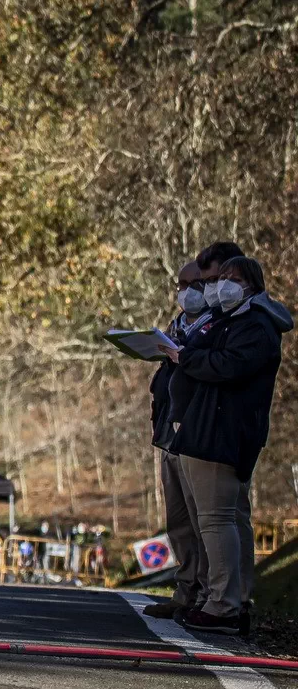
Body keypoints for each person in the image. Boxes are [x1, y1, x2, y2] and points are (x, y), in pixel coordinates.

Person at [164, 255, 292, 634]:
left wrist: (187, 356)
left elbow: (226, 366)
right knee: (209, 520)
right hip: (203, 431)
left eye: (230, 279)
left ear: (251, 284)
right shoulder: (228, 322)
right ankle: (216, 598)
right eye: (219, 279)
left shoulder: (255, 327)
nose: (221, 286)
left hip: (223, 434)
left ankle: (224, 605)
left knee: (219, 520)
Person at [143, 260, 213, 620]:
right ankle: (185, 589)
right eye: (180, 284)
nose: (185, 291)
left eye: (194, 284)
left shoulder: (215, 326)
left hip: (196, 431)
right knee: (179, 519)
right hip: (169, 430)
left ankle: (206, 593)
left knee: (205, 519)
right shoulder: (178, 324)